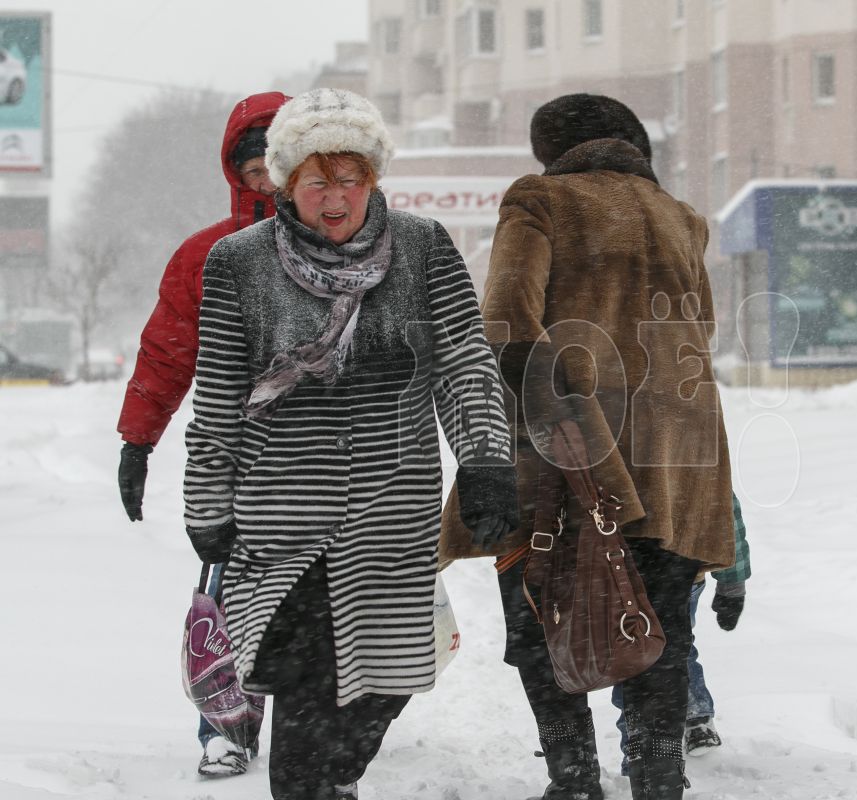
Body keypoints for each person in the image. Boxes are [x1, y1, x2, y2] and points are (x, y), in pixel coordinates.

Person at [182, 88, 516, 800]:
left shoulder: (423, 248)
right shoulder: (237, 262)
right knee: (305, 705)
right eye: (316, 179)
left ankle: (330, 786)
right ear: (285, 181)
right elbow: (216, 395)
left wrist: (485, 460)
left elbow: (464, 364)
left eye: (350, 178)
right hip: (282, 524)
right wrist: (206, 500)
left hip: (391, 517)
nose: (335, 197)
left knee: (380, 690)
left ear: (374, 178)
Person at [440, 93, 736, 800]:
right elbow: (706, 330)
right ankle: (658, 769)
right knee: (659, 623)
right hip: (681, 454)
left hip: (572, 445)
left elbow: (507, 323)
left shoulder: (539, 202)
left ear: (553, 151)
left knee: (542, 612)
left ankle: (574, 777)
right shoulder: (682, 217)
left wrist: (548, 426)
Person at [115, 90, 288, 778]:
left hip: (332, 453)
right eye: (252, 167)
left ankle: (326, 724)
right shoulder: (205, 254)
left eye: (277, 164)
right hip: (238, 455)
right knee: (225, 592)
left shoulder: (351, 243)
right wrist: (138, 441)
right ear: (233, 171)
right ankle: (223, 725)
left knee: (330, 594)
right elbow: (166, 351)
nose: (265, 180)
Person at [612, 493, 751, 773]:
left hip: (681, 572)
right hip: (620, 574)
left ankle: (658, 737)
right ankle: (649, 738)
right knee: (641, 653)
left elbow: (722, 503)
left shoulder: (697, 449)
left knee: (658, 651)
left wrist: (732, 583)